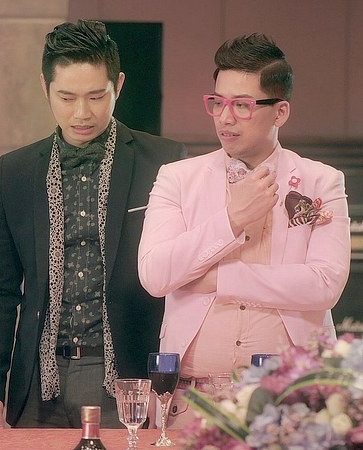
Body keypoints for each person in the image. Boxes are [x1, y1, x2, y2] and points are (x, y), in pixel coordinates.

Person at [0, 20, 185, 429]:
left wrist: (168, 381)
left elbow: (181, 279)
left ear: (118, 85)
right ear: (45, 87)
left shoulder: (163, 161)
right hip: (37, 380)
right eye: (66, 97)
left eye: (96, 96)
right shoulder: (15, 171)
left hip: (126, 377)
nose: (82, 113)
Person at [138, 33, 350, 427]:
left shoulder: (321, 181)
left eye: (242, 105)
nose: (225, 117)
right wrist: (232, 219)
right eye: (217, 102)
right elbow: (155, 274)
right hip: (190, 399)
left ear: (280, 112)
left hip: (291, 401)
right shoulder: (177, 178)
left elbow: (324, 284)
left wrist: (220, 279)